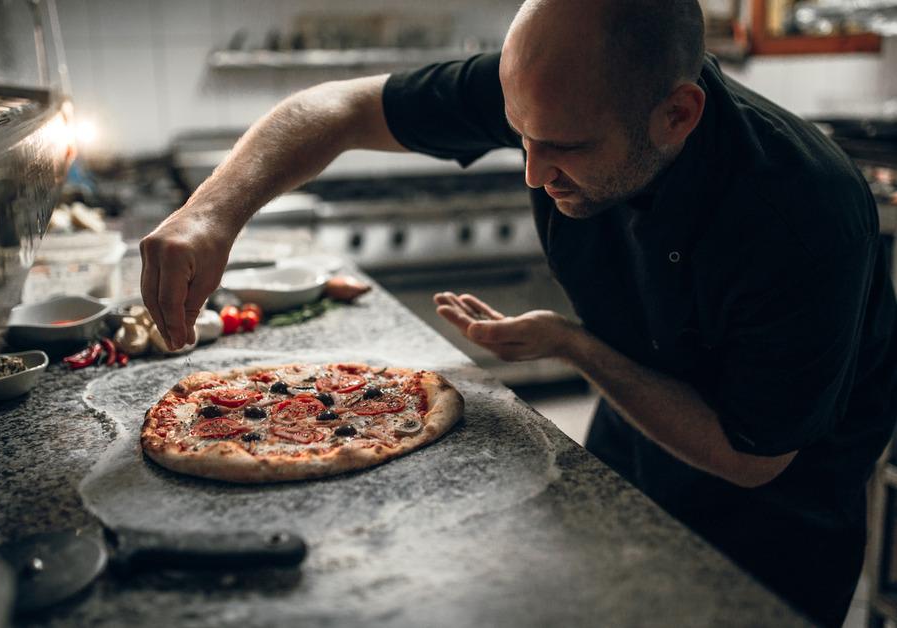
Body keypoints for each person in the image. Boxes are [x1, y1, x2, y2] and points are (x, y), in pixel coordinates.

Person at [140, 0, 897, 624]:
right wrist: (210, 213)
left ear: (678, 113)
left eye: (562, 147)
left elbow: (751, 456)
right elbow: (333, 107)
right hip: (632, 450)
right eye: (520, 137)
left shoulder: (803, 216)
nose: (532, 172)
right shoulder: (556, 88)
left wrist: (574, 347)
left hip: (775, 526)